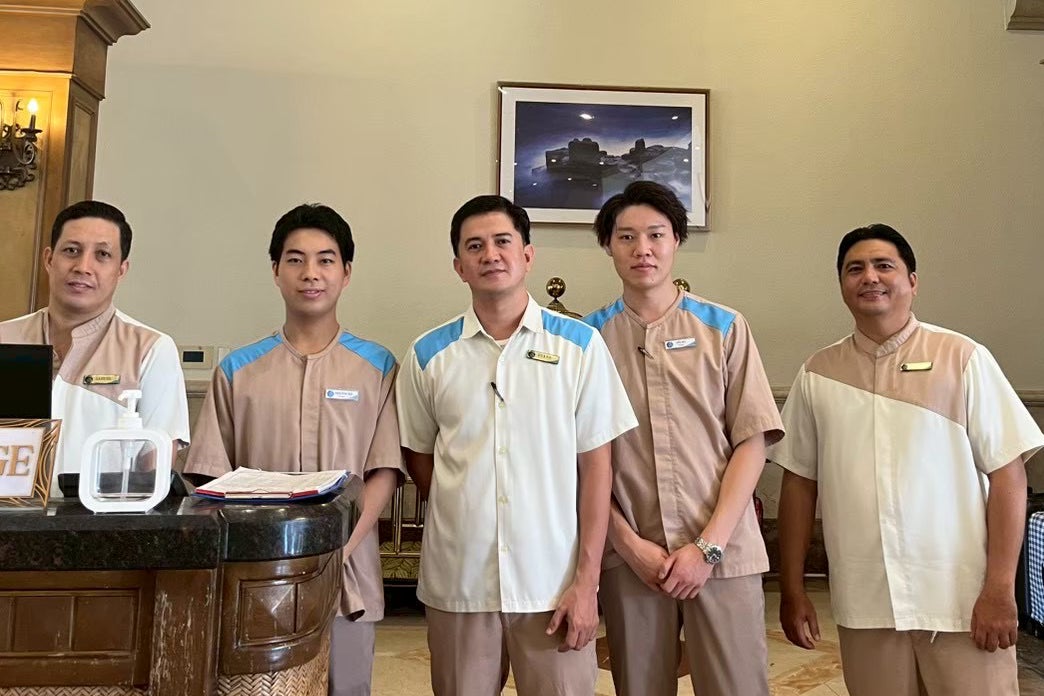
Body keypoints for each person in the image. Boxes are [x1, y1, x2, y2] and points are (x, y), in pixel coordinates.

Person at [769, 223, 1044, 696]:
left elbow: (1008, 475)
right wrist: (792, 590)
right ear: (842, 285)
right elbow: (799, 483)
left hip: (961, 600)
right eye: (855, 269)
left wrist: (1000, 589)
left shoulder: (962, 357)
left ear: (912, 281)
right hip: (866, 602)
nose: (870, 277)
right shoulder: (818, 374)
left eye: (884, 265)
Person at [395, 194, 637, 696]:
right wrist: (465, 506)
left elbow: (597, 469)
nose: (490, 255)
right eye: (475, 246)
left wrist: (587, 582)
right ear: (459, 266)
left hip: (553, 585)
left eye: (503, 241)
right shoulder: (428, 354)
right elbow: (419, 455)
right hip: (460, 585)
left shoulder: (579, 346)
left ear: (527, 255)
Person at [184, 203, 402, 696]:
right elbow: (208, 478)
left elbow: (383, 470)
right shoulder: (238, 370)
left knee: (347, 687)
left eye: (326, 260)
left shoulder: (377, 366)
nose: (311, 273)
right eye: (296, 260)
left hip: (347, 573)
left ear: (346, 272)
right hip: (258, 574)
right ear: (276, 271)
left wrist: (338, 549)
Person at [583, 181, 783, 696]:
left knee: (737, 686)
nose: (642, 249)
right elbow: (580, 462)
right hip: (632, 559)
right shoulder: (587, 340)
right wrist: (629, 546)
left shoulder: (724, 327)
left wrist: (707, 547)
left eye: (656, 234)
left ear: (676, 240)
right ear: (608, 245)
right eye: (626, 237)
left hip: (723, 550)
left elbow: (752, 441)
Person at [0, 200, 189, 495]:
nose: (83, 267)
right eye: (71, 250)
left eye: (102, 255)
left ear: (121, 270)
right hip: (10, 516)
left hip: (102, 520)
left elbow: (155, 473)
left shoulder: (150, 349)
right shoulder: (5, 337)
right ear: (49, 259)